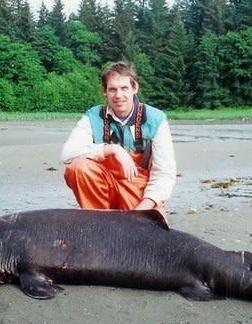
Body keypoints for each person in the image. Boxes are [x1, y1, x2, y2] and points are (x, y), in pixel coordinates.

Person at [61, 61, 177, 218]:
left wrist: (144, 207)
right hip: (103, 186)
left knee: (147, 229)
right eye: (112, 89)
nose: (118, 95)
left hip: (138, 188)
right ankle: (98, 222)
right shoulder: (93, 116)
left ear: (135, 88)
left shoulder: (156, 119)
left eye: (124, 88)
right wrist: (111, 149)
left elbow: (164, 173)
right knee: (78, 167)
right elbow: (67, 154)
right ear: (105, 92)